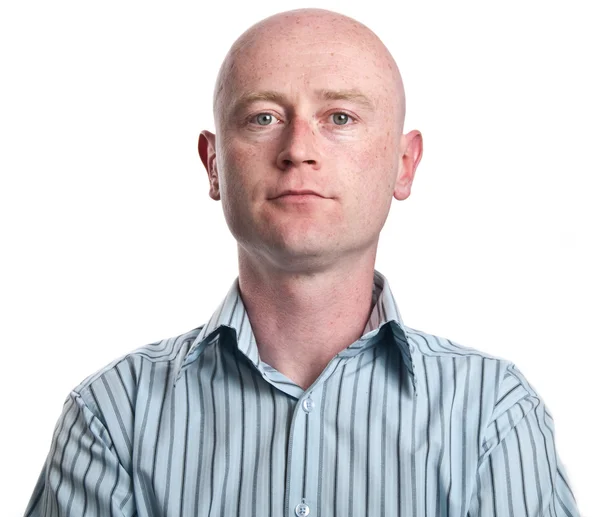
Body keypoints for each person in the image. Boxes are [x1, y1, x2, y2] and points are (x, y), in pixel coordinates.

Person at [24, 8, 580, 517]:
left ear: (404, 165)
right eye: (264, 118)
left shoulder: (492, 415)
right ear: (213, 164)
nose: (298, 149)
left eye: (339, 117)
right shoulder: (113, 417)